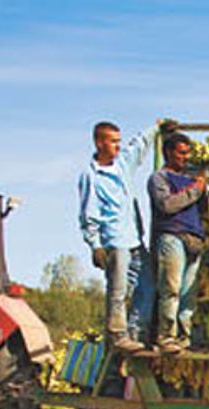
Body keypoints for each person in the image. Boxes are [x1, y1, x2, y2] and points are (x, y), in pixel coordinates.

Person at [78, 119, 170, 353]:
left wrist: (156, 127)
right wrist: (95, 245)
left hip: (134, 238)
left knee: (147, 285)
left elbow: (138, 145)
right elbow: (88, 213)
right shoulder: (92, 176)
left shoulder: (122, 165)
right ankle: (118, 334)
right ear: (100, 143)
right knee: (118, 291)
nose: (118, 146)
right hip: (114, 240)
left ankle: (135, 331)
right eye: (113, 142)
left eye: (119, 141)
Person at [148, 132, 208, 354]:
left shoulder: (191, 179)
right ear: (168, 152)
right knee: (170, 289)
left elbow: (202, 209)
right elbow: (167, 205)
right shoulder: (159, 178)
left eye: (187, 153)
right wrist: (195, 190)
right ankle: (166, 337)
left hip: (194, 237)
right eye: (181, 152)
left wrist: (202, 190)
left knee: (187, 294)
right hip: (172, 235)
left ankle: (184, 338)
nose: (185, 157)